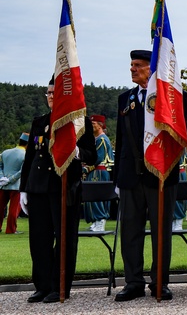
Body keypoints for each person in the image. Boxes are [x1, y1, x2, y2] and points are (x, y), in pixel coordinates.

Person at [113, 49, 187, 302]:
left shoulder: (173, 97)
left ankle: (160, 282)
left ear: (151, 67)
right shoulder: (125, 99)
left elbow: (184, 132)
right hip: (130, 176)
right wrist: (117, 178)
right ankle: (133, 282)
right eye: (131, 65)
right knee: (130, 232)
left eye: (137, 65)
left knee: (161, 232)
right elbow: (121, 140)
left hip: (160, 175)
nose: (132, 69)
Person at [21, 78, 97, 303]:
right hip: (38, 187)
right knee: (39, 239)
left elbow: (92, 155)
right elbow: (30, 158)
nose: (51, 96)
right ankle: (42, 285)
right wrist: (24, 188)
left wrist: (75, 151)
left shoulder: (79, 122)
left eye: (55, 92)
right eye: (48, 92)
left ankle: (59, 285)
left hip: (63, 187)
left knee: (65, 238)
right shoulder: (40, 122)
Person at [82, 116, 114, 232]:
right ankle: (95, 221)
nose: (91, 125)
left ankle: (100, 220)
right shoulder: (97, 139)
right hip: (95, 170)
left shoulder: (101, 139)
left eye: (94, 123)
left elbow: (98, 158)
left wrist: (86, 168)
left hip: (98, 171)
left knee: (97, 196)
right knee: (92, 196)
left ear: (100, 125)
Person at [0, 133, 28, 234]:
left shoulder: (5, 152)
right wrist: (11, 179)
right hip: (16, 185)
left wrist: (2, 177)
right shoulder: (25, 155)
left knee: (0, 207)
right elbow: (22, 171)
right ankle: (11, 229)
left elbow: (0, 166)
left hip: (3, 184)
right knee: (14, 209)